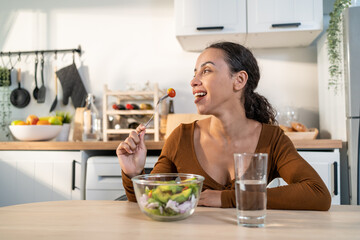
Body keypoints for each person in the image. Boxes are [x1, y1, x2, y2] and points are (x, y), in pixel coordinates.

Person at [116, 42, 331, 210]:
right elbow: (150, 202)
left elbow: (317, 194)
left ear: (239, 80)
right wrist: (133, 173)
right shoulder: (180, 137)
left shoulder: (272, 139)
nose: (193, 81)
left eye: (206, 71)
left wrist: (227, 198)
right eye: (194, 73)